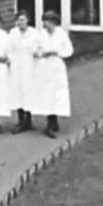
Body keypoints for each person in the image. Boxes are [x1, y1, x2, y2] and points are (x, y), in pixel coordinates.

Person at [29, 10, 74, 139]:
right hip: (44, 67)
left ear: (54, 22)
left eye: (47, 21)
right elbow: (34, 49)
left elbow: (69, 50)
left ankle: (54, 121)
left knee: (57, 94)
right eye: (44, 21)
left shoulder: (61, 34)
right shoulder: (41, 34)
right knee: (47, 94)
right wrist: (39, 53)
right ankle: (49, 124)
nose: (45, 24)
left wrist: (56, 51)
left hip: (56, 67)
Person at [4, 10, 38, 134]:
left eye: (23, 20)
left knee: (28, 92)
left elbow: (36, 48)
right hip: (17, 67)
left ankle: (28, 120)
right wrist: (9, 60)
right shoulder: (13, 33)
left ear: (28, 20)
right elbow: (8, 49)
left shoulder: (34, 33)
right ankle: (20, 121)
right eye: (18, 20)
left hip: (29, 66)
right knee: (18, 93)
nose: (20, 22)